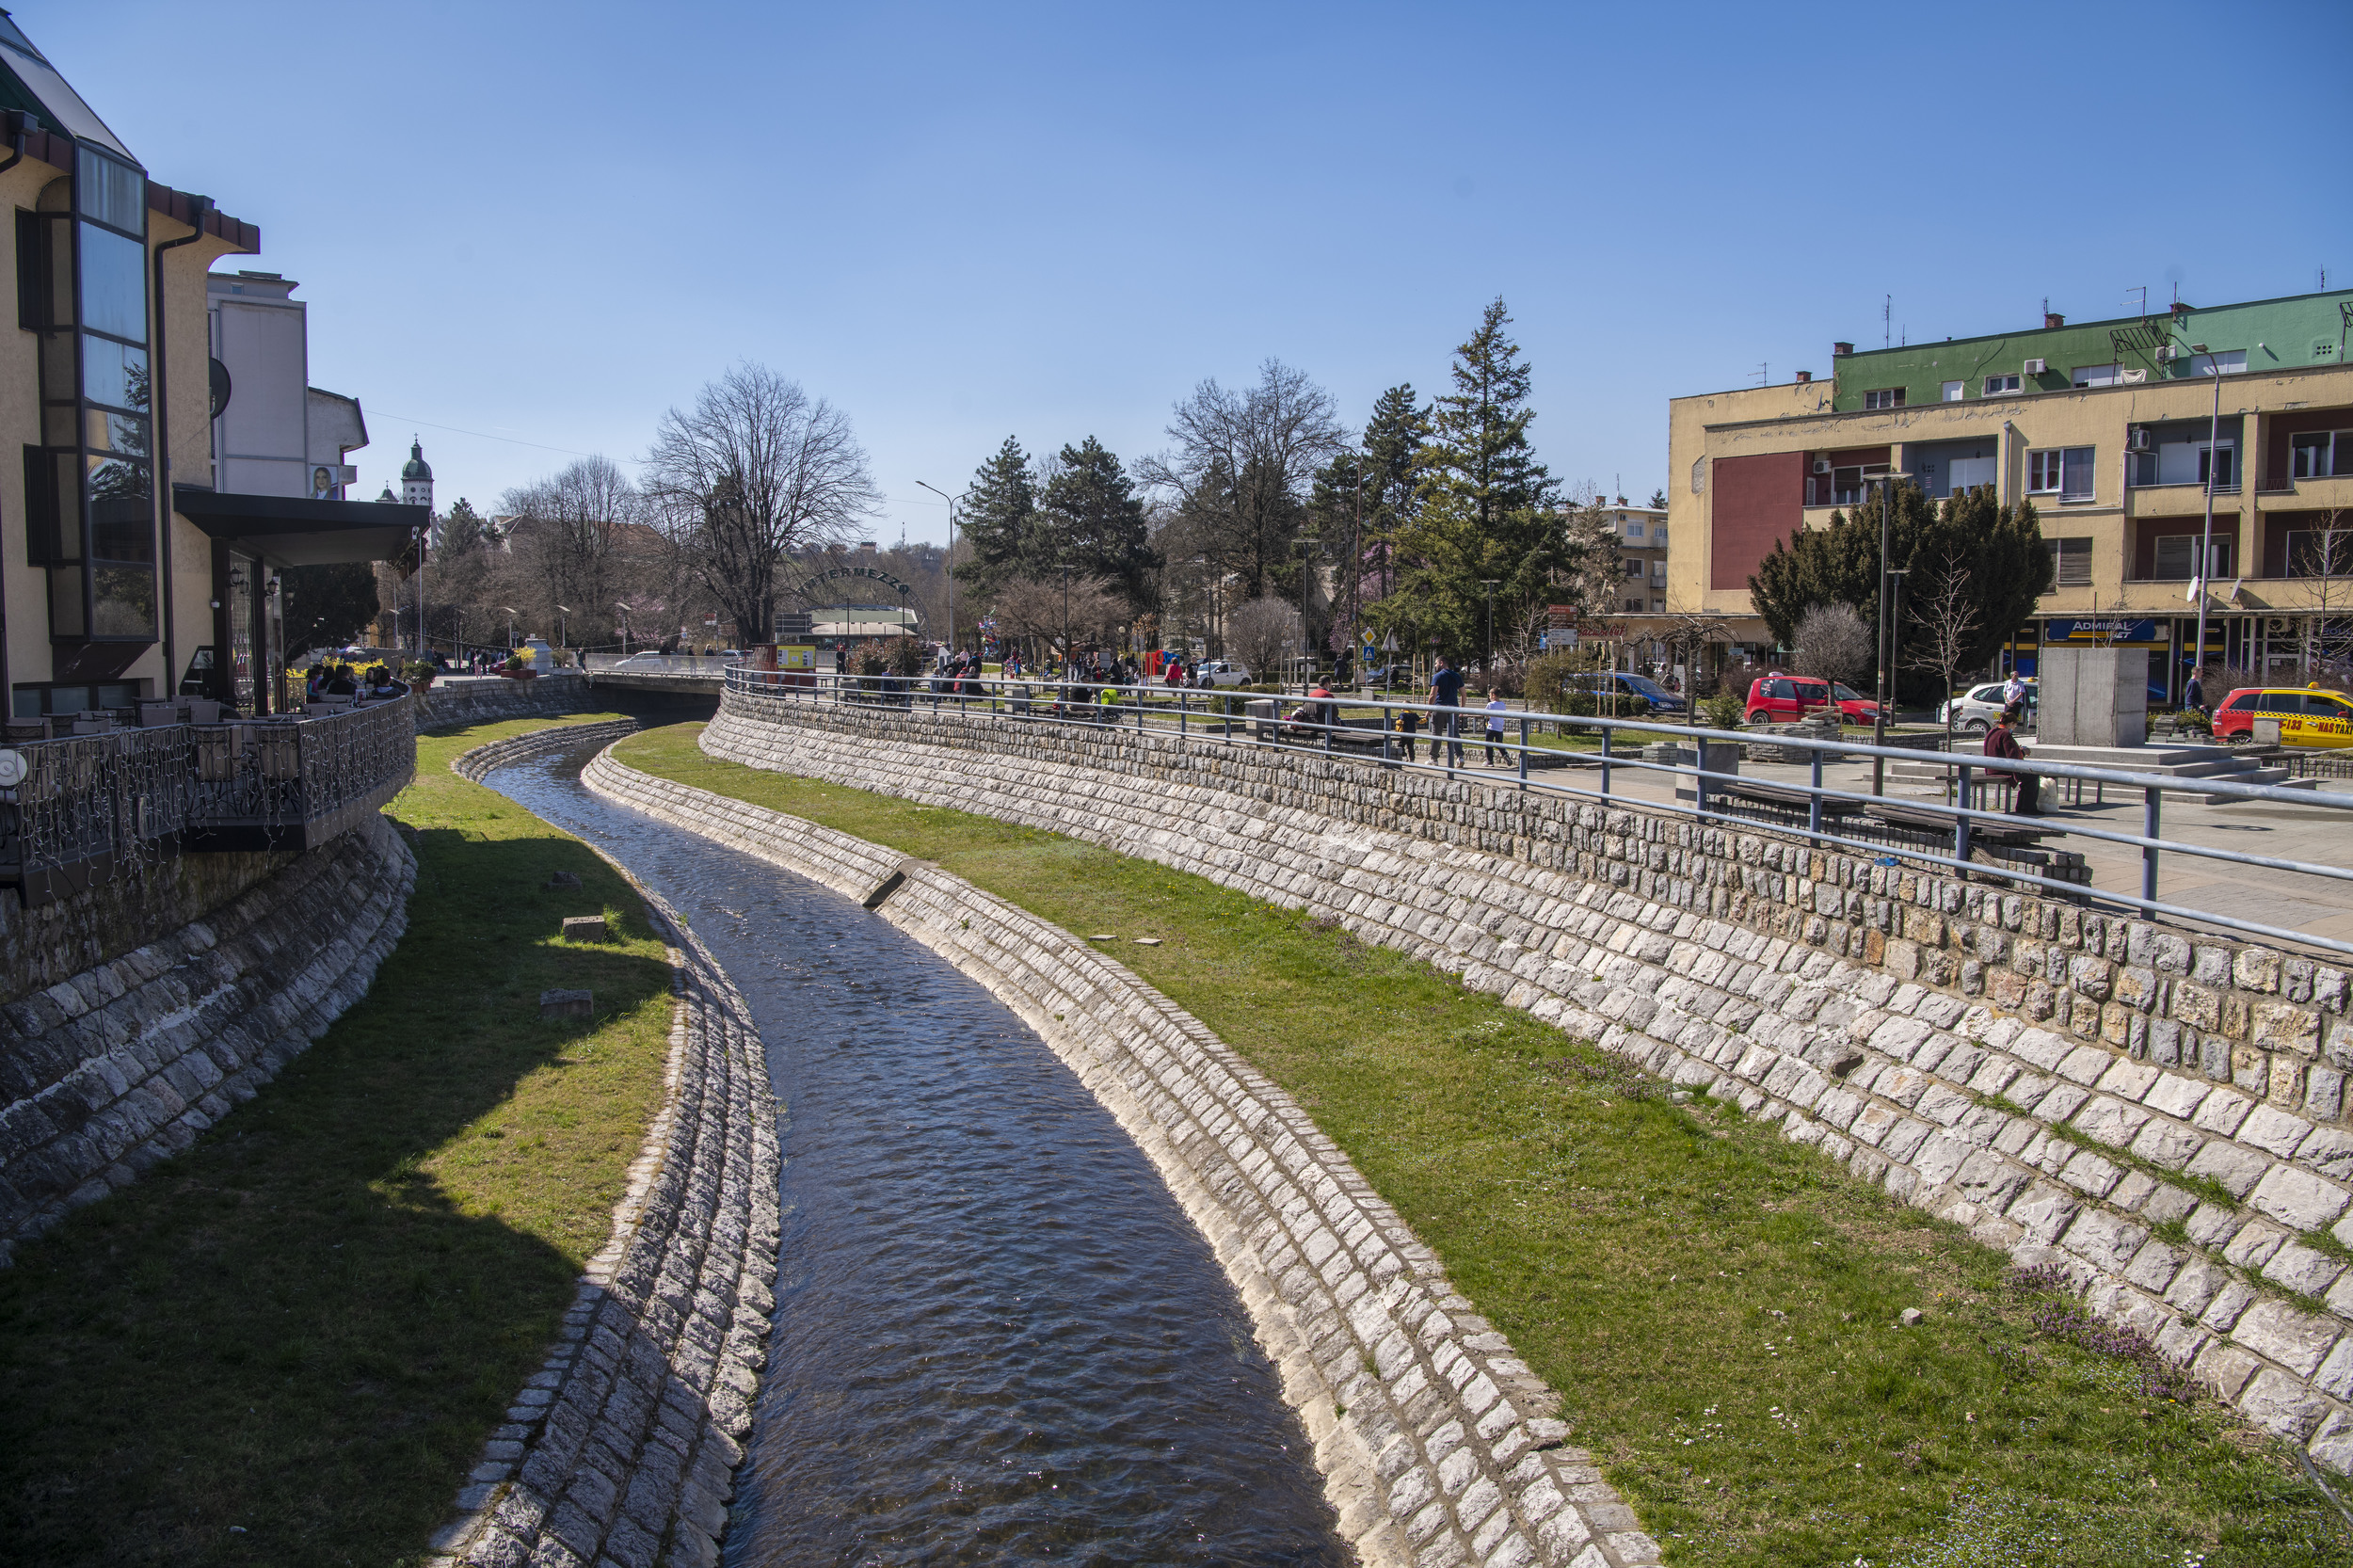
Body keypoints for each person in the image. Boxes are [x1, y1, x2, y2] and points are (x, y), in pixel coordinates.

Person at [1984, 703, 2039, 817]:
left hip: (1991, 768)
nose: (2014, 727)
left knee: (2028, 778)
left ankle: (2022, 807)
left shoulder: (1992, 731)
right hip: (2002, 770)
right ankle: (2027, 808)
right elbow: (2012, 756)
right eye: (2014, 725)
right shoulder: (2005, 734)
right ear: (2010, 724)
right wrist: (2024, 752)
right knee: (2033, 777)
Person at [1428, 654, 1465, 767]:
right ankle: (1460, 757)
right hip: (1453, 708)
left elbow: (1433, 694)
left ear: (1441, 663)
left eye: (1436, 663)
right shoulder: (1456, 676)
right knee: (1454, 734)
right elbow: (1463, 694)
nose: (1435, 665)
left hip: (1439, 707)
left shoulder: (1438, 676)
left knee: (1436, 733)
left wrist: (1428, 709)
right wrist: (1462, 709)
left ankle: (1433, 758)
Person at [1482, 688, 1510, 766]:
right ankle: (1505, 755)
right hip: (1499, 727)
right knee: (1499, 744)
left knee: (1489, 744)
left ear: (1493, 695)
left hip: (1491, 727)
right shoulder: (1502, 704)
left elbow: (1486, 714)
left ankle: (1490, 760)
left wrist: (1487, 718)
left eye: (1489, 695)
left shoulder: (1490, 704)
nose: (1489, 697)